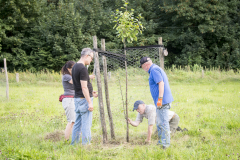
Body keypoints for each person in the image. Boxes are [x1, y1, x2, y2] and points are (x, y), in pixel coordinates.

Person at [140, 57, 174, 149]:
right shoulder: (155, 69)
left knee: (163, 123)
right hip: (161, 101)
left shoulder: (154, 70)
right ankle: (161, 142)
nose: (143, 69)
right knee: (160, 122)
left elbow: (161, 83)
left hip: (162, 101)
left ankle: (165, 144)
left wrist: (160, 99)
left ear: (145, 65)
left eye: (142, 67)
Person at [71, 48, 98, 145]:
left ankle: (74, 143)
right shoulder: (82, 68)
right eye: (91, 58)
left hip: (77, 98)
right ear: (86, 56)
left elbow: (79, 83)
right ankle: (86, 144)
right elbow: (84, 87)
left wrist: (91, 92)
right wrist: (89, 102)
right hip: (83, 100)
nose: (91, 60)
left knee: (77, 123)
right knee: (86, 123)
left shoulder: (75, 66)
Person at [61, 61, 76, 141]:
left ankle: (73, 139)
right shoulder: (66, 76)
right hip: (69, 100)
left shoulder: (70, 76)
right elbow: (75, 82)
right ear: (68, 68)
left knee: (73, 121)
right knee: (71, 121)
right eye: (73, 68)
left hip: (72, 99)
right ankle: (66, 140)